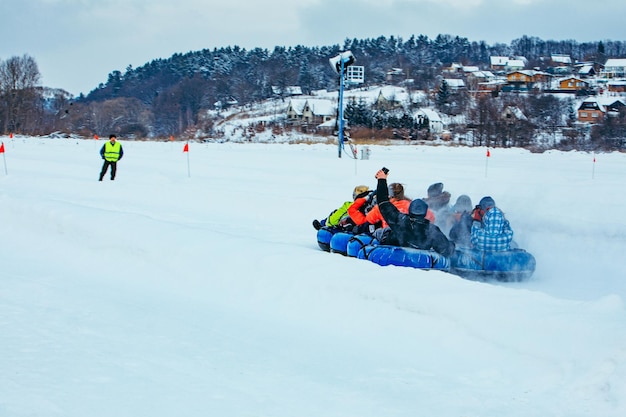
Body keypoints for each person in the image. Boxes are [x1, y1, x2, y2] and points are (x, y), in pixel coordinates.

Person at [373, 168, 455, 257]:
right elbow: (446, 250)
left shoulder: (399, 221)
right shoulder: (432, 231)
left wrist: (382, 180)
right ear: (424, 213)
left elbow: (383, 203)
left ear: (410, 210)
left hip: (395, 258)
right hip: (421, 263)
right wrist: (452, 245)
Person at [348, 182, 435, 233]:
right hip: (412, 238)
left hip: (390, 238)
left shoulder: (381, 207)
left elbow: (366, 221)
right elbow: (431, 217)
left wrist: (366, 198)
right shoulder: (412, 206)